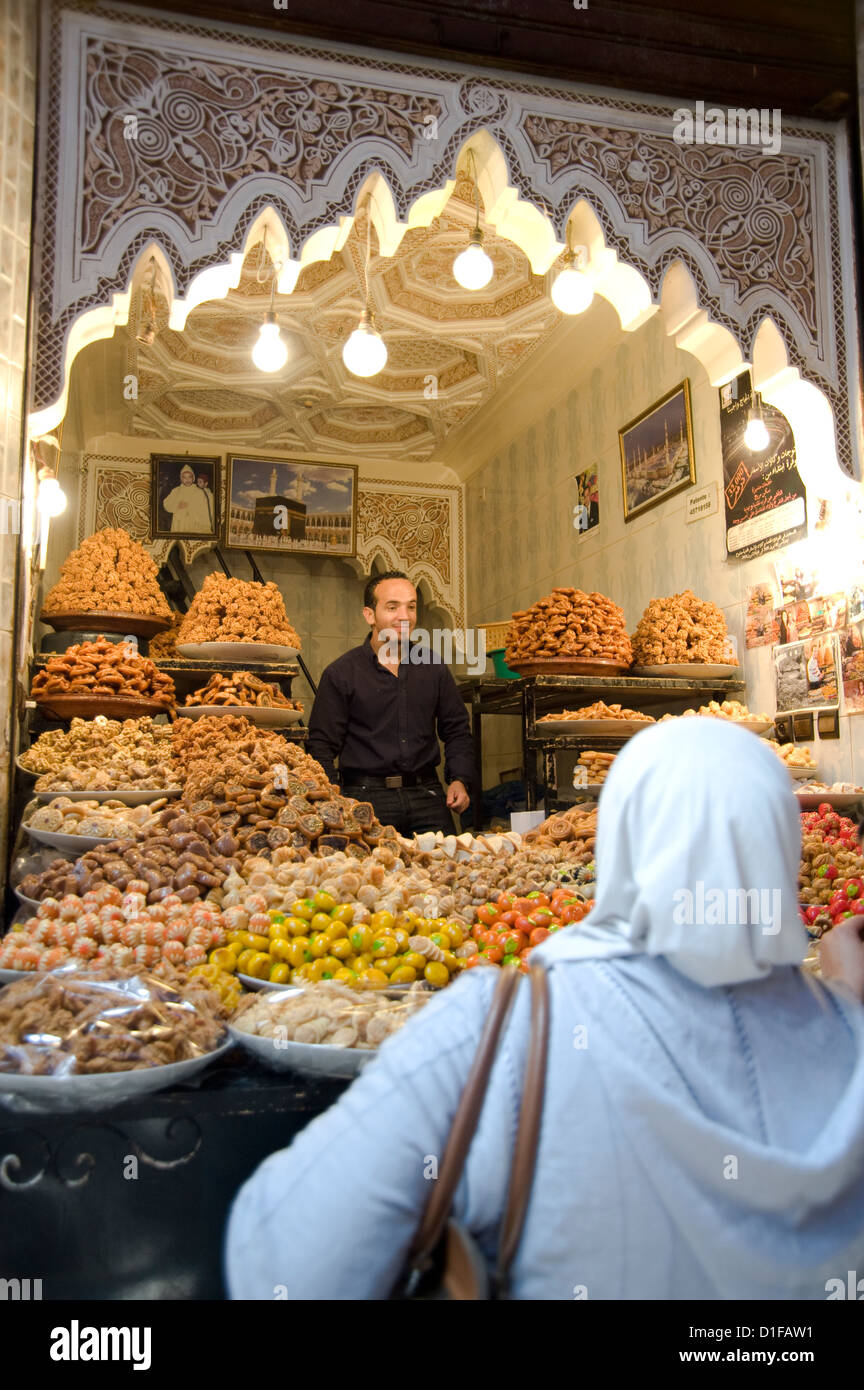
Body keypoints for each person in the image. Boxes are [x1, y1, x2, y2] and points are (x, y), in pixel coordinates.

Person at [225, 719, 864, 1299]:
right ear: (784, 846)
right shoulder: (852, 1025)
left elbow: (283, 1268)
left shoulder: (500, 1027)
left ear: (616, 839)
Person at [307, 571, 474, 836]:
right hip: (364, 797)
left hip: (427, 795)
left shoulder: (433, 668)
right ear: (369, 615)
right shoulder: (340, 674)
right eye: (392, 607)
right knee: (369, 875)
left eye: (411, 607)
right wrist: (332, 799)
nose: (404, 616)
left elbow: (457, 730)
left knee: (447, 871)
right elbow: (321, 745)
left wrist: (459, 780)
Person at [161, 463, 215, 534]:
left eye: (189, 477)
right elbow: (166, 504)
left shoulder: (199, 491)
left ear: (193, 478)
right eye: (184, 477)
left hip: (194, 524)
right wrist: (177, 505)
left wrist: (204, 524)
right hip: (179, 523)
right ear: (181, 478)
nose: (187, 479)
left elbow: (206, 507)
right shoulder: (176, 491)